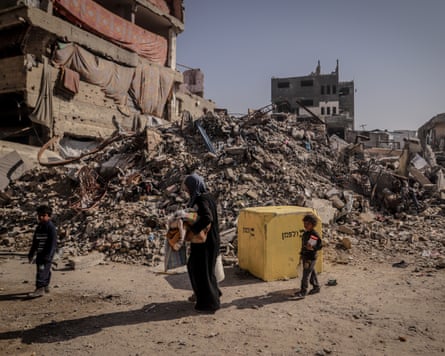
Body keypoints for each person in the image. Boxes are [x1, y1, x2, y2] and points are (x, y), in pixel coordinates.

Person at [182, 173, 221, 312]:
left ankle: (209, 303)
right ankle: (210, 294)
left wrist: (193, 228)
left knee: (201, 271)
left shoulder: (201, 199)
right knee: (202, 269)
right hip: (210, 241)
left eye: (187, 187)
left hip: (204, 243)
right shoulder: (207, 196)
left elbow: (206, 217)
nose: (186, 190)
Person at [27, 205, 58, 298]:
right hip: (40, 253)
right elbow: (35, 242)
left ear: (49, 216)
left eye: (43, 215)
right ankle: (45, 286)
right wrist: (31, 253)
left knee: (42, 270)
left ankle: (40, 288)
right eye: (39, 215)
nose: (40, 217)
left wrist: (49, 255)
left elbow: (53, 243)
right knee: (45, 270)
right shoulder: (39, 227)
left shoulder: (51, 227)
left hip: (47, 254)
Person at [293, 214, 322, 299]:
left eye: (307, 224)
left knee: (305, 275)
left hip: (310, 258)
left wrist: (312, 248)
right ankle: (316, 287)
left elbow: (319, 246)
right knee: (311, 272)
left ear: (312, 224)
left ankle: (303, 291)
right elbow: (305, 245)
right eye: (305, 223)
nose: (305, 225)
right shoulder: (306, 233)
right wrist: (302, 254)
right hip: (306, 256)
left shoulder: (314, 234)